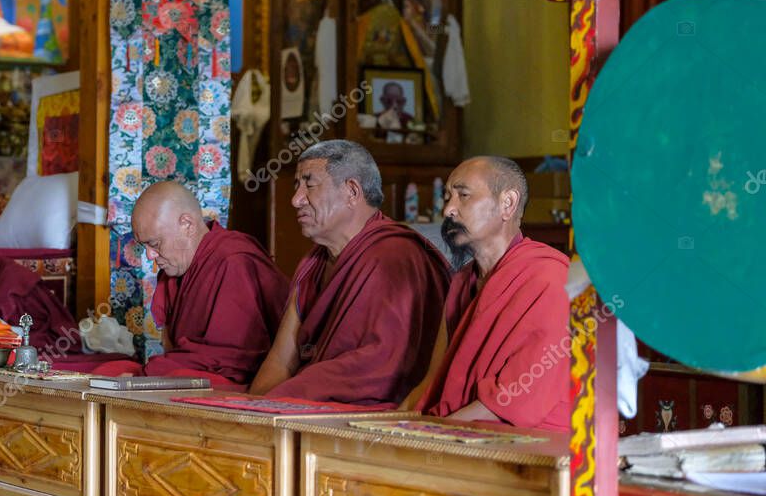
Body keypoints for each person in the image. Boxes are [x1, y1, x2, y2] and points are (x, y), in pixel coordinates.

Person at [248, 140, 450, 406]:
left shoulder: (395, 255)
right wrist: (249, 408)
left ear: (352, 191)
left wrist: (282, 399)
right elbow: (281, 359)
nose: (296, 199)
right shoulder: (314, 263)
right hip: (305, 400)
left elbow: (379, 367)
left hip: (368, 412)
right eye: (297, 186)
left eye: (309, 185)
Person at [401, 156, 570, 432]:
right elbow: (432, 381)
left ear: (507, 204)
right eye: (447, 197)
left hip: (526, 442)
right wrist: (388, 425)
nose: (448, 209)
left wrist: (431, 433)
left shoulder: (547, 279)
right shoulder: (462, 281)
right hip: (455, 431)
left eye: (463, 195)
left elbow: (511, 401)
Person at [87, 181, 290, 389]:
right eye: (144, 246)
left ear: (187, 224)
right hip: (197, 368)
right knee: (108, 371)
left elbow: (234, 360)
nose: (149, 256)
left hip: (242, 380)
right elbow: (174, 347)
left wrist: (154, 373)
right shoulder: (176, 270)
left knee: (169, 376)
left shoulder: (234, 261)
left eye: (154, 244)